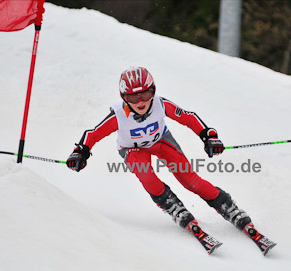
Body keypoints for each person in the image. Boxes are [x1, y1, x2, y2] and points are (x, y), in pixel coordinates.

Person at [67, 67, 276, 255]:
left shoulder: (160, 104)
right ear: (124, 97)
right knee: (148, 177)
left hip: (161, 142)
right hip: (133, 150)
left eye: (146, 94)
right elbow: (92, 134)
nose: (140, 102)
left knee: (190, 180)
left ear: (153, 91)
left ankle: (227, 206)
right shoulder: (119, 115)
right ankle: (172, 206)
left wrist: (208, 136)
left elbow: (187, 117)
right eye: (133, 97)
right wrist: (80, 152)